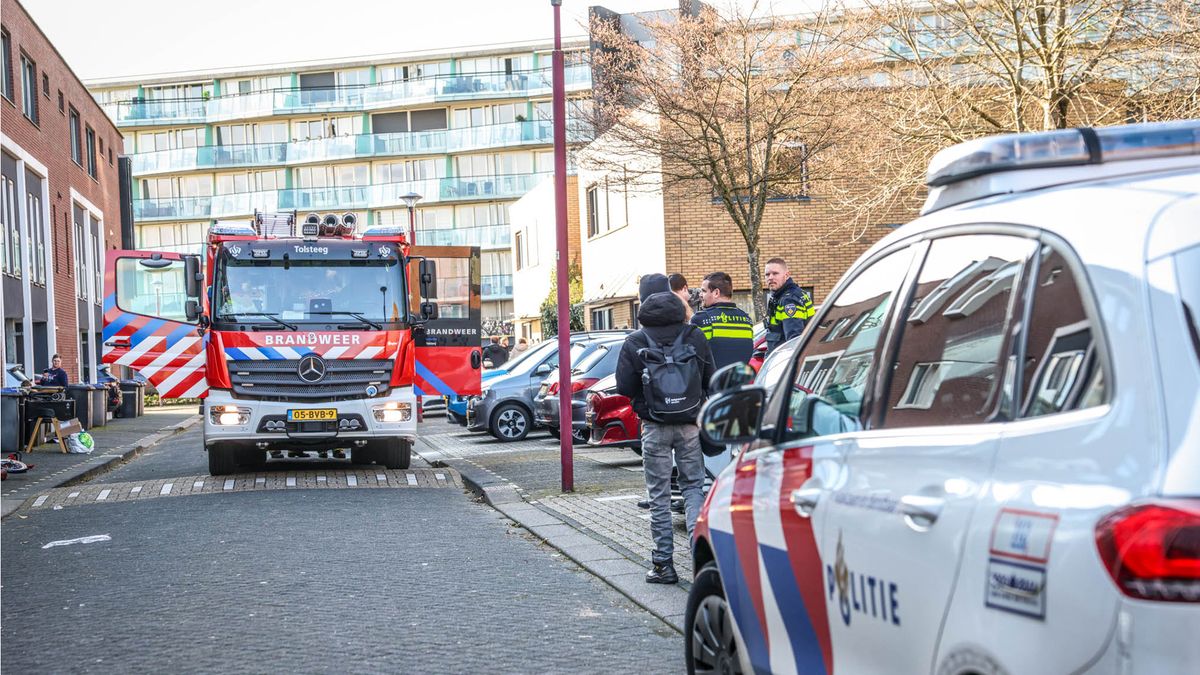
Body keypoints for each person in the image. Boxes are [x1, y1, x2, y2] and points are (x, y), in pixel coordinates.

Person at [616, 273, 714, 585]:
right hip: (689, 425)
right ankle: (700, 561)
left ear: (642, 303)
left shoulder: (636, 340)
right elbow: (709, 378)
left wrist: (644, 404)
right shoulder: (694, 334)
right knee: (693, 488)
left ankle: (663, 565)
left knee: (658, 494)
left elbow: (624, 386)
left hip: (654, 426)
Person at [691, 271, 755, 369]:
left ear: (716, 293)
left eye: (703, 291)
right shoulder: (747, 320)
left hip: (712, 383)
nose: (700, 295)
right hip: (739, 382)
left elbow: (692, 358)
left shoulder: (701, 319)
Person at [763, 257, 814, 354]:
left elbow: (793, 339)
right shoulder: (785, 295)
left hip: (782, 360)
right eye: (767, 274)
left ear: (787, 275)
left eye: (775, 273)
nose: (770, 277)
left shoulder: (789, 300)